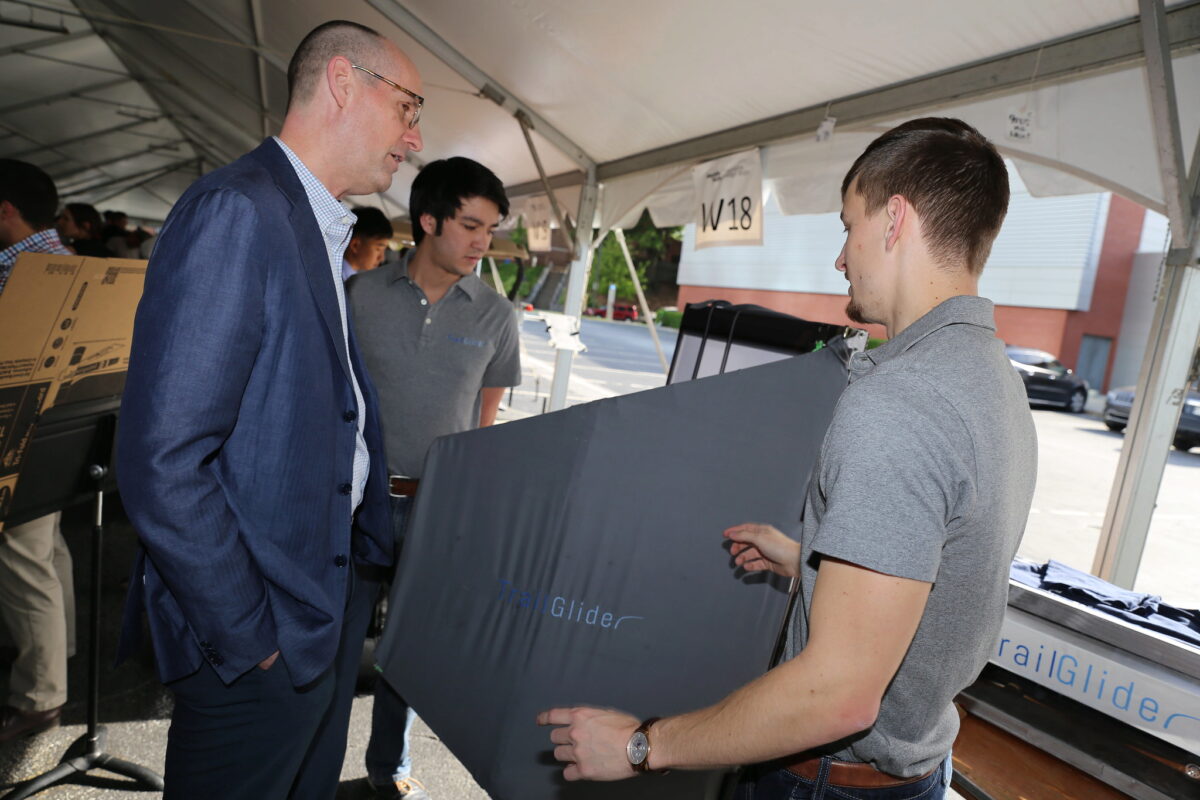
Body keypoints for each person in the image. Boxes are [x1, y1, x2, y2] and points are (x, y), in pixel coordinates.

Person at [537, 117, 1038, 800]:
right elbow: (935, 587)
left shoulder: (900, 403)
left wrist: (642, 744)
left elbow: (839, 694)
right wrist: (812, 565)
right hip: (914, 772)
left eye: (847, 225)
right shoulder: (991, 379)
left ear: (894, 221)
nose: (841, 258)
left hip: (831, 783)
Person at [115, 20, 423, 799]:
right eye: (408, 108)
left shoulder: (312, 224)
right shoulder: (238, 212)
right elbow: (163, 459)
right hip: (261, 630)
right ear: (344, 84)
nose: (413, 139)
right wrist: (252, 637)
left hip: (320, 607)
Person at [347, 157, 521, 799]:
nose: (483, 241)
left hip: (436, 509)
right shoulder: (360, 298)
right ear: (427, 220)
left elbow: (485, 422)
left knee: (409, 653)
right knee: (334, 648)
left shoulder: (496, 317)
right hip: (357, 502)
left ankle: (386, 770)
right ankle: (306, 766)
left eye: (490, 228)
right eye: (471, 225)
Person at [0, 159, 77, 744]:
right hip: (63, 431)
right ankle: (62, 650)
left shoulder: (17, 269)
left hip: (17, 434)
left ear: (6, 210)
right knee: (47, 549)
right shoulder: (66, 262)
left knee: (20, 555)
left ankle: (39, 694)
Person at [343, 205, 394, 280]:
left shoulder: (351, 279)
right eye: (378, 249)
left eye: (384, 250)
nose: (382, 258)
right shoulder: (336, 278)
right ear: (355, 245)